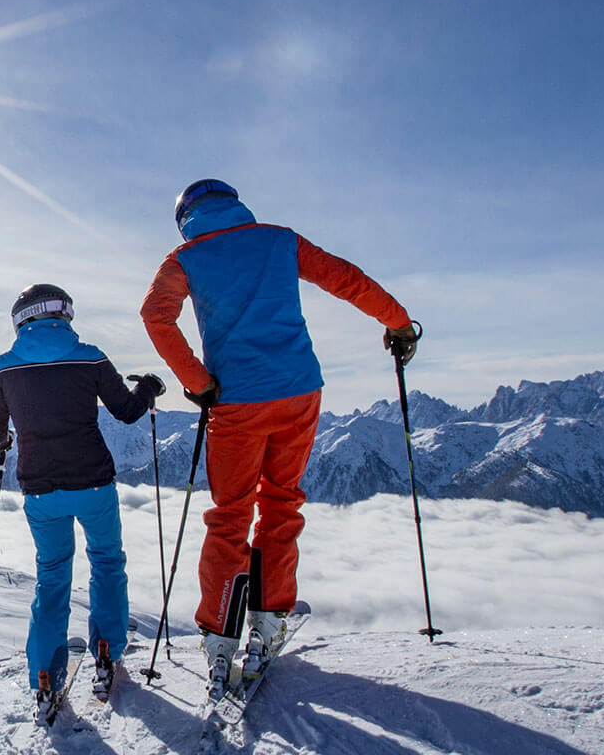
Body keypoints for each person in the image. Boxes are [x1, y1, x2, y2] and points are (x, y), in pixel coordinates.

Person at [141, 179, 420, 698]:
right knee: (281, 503)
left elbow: (155, 317)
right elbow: (347, 280)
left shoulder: (183, 259)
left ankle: (220, 635)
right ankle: (268, 622)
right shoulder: (278, 240)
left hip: (237, 401)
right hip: (298, 391)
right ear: (236, 204)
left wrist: (197, 381)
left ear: (185, 217)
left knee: (230, 514)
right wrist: (398, 323)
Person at [0, 283, 163, 713]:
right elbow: (127, 410)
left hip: (40, 490)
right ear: (64, 314)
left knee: (52, 577)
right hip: (94, 483)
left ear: (21, 319)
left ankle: (45, 672)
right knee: (106, 562)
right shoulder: (91, 357)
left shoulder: (5, 368)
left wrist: (6, 439)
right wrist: (149, 387)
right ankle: (106, 649)